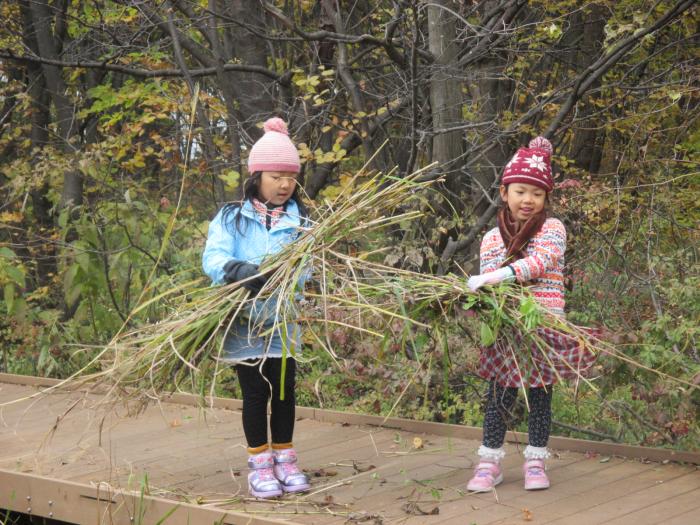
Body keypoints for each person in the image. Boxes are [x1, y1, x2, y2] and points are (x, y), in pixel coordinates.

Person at [465, 136, 595, 492]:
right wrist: (486, 287)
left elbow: (539, 263)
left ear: (545, 199)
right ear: (505, 192)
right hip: (507, 330)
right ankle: (490, 462)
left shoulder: (553, 230)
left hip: (544, 325)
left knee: (540, 397)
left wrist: (500, 274)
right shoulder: (492, 237)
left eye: (536, 194)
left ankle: (535, 460)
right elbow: (491, 290)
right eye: (520, 191)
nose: (528, 200)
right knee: (499, 397)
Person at [202, 117, 311, 499]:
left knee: (284, 390)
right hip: (243, 322)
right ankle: (260, 464)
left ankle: (285, 457)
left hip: (282, 320)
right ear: (256, 175)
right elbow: (213, 256)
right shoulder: (232, 216)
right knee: (255, 393)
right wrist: (235, 270)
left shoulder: (302, 223)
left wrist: (289, 280)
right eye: (275, 176)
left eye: (290, 177)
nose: (284, 185)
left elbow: (309, 267)